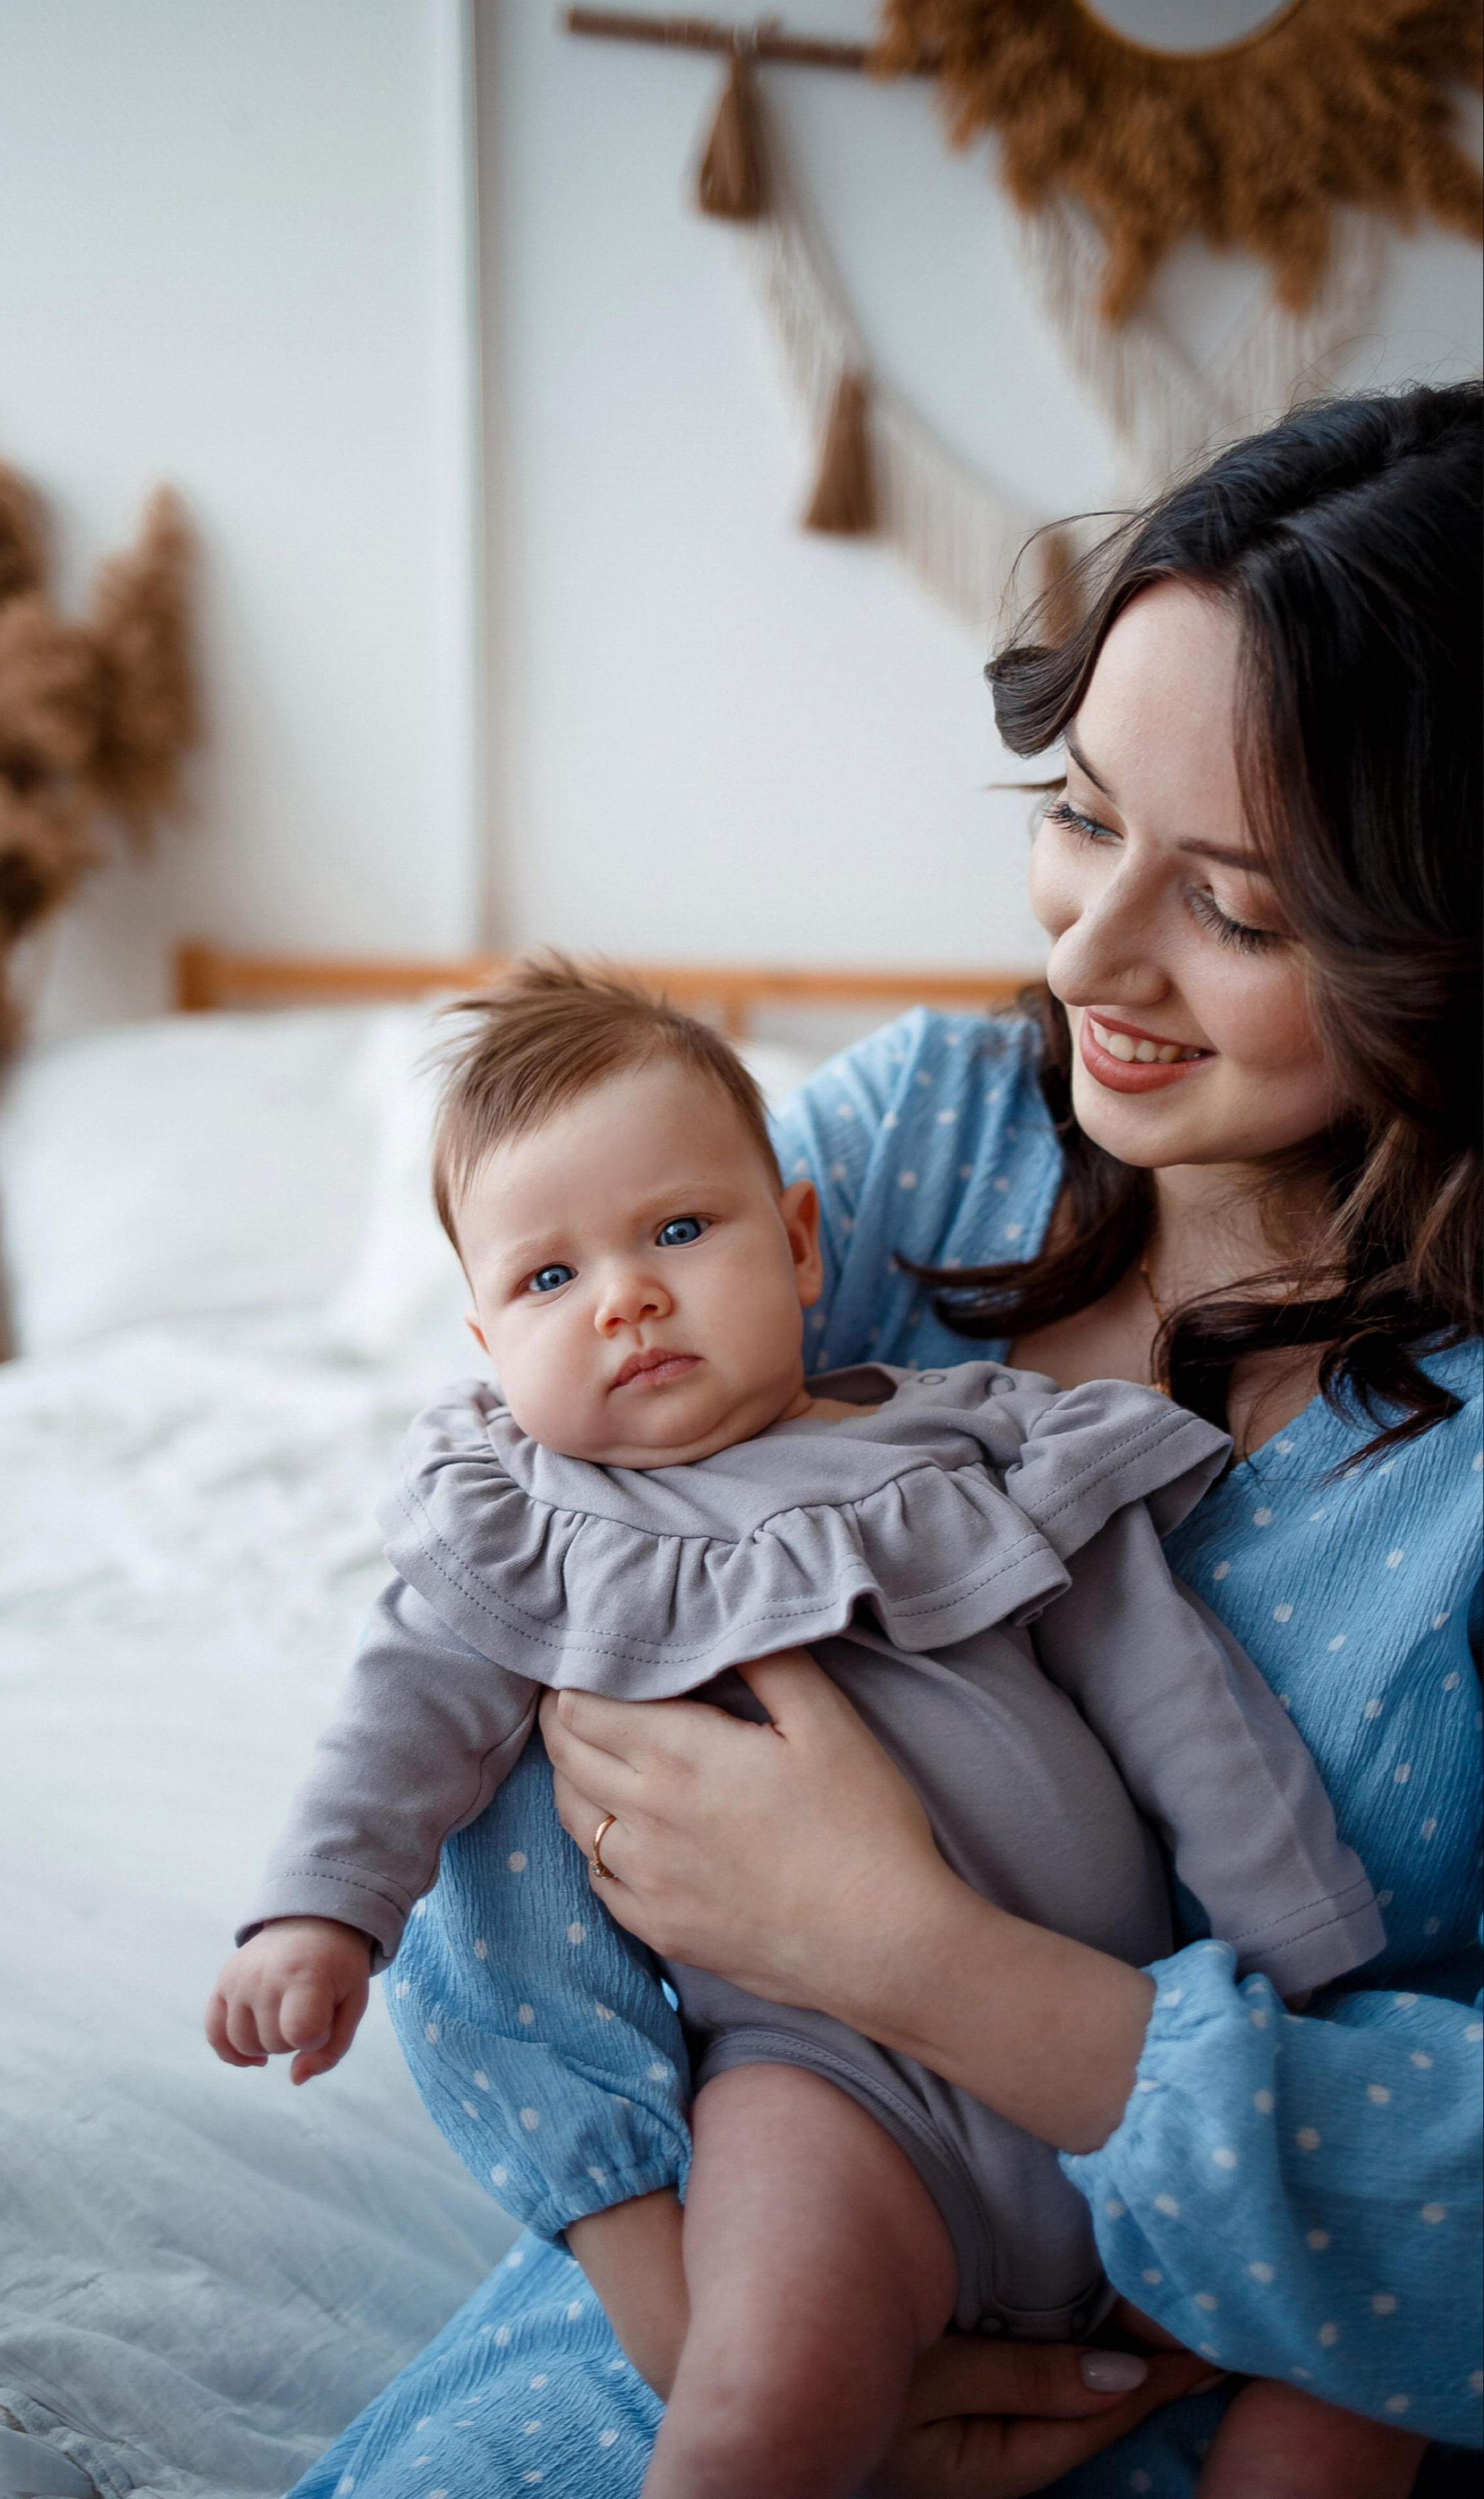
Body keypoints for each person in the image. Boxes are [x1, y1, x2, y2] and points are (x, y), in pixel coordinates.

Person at [285, 382, 1481, 2499]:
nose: (1088, 956)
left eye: (1242, 906)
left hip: (1260, 2367)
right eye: (1083, 813)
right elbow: (516, 1625)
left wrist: (922, 1955)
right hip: (748, 2266)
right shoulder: (921, 1143)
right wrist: (684, 2320)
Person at [206, 955, 1393, 2499]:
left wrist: (1297, 1955)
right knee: (762, 2401)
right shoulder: (532, 1534)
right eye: (546, 1280)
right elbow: (399, 1727)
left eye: (678, 1231)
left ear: (799, 1239)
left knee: (1357, 2376)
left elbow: (1179, 1698)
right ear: (485, 1342)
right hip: (823, 2093)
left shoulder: (977, 1454)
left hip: (1115, 2046)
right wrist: (318, 1915)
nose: (624, 1296)